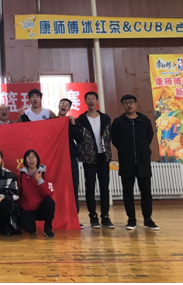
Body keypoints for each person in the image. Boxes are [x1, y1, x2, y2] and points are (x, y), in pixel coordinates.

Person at [112, 94, 159, 231]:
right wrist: (125, 150)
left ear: (136, 104)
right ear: (122, 105)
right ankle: (131, 219)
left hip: (143, 161)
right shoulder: (118, 122)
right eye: (126, 102)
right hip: (126, 161)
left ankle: (148, 219)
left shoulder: (144, 120)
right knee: (127, 191)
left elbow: (149, 136)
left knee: (146, 191)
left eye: (131, 102)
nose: (129, 105)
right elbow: (115, 140)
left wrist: (142, 149)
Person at [76, 91, 114, 229]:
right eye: (88, 99)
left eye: (93, 98)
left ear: (97, 101)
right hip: (89, 158)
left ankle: (105, 216)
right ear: (85, 101)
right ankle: (93, 216)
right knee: (90, 188)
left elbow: (109, 136)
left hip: (103, 157)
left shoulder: (105, 118)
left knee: (104, 188)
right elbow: (78, 138)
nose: (91, 101)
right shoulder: (81, 119)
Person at [57, 98, 84, 228]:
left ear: (69, 109)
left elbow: (80, 139)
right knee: (56, 186)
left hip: (70, 157)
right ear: (58, 105)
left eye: (67, 105)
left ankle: (74, 217)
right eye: (62, 103)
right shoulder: (51, 121)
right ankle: (57, 217)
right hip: (56, 158)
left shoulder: (72, 122)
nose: (64, 106)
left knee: (73, 186)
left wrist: (73, 125)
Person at [17, 150, 55, 238]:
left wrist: (40, 181)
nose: (31, 159)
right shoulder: (20, 176)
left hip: (41, 208)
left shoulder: (44, 174)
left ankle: (48, 228)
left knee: (50, 202)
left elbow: (49, 192)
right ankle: (32, 226)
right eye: (28, 157)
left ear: (37, 159)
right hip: (28, 209)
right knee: (27, 227)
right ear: (25, 160)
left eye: (33, 157)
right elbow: (18, 193)